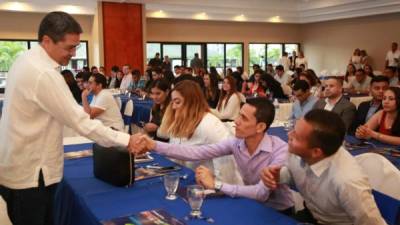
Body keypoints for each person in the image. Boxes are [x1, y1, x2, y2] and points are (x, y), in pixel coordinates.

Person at [0, 11, 138, 225]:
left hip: (20, 165)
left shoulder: (25, 59)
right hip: (31, 174)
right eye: (69, 47)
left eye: (77, 46)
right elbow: (80, 121)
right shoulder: (43, 72)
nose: (73, 53)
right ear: (47, 41)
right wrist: (127, 140)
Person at [133, 98, 294, 213]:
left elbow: (261, 193)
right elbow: (196, 153)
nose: (236, 121)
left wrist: (216, 184)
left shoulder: (279, 150)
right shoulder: (236, 143)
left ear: (260, 127)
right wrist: (154, 145)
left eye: (243, 118)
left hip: (279, 212)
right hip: (252, 205)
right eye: (238, 115)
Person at [261, 109, 386, 225]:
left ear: (316, 152)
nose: (289, 134)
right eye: (293, 129)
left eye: (296, 136)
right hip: (311, 214)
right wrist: (278, 175)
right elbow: (294, 173)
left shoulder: (347, 182)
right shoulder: (298, 152)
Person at [157, 80, 241, 184]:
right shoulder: (181, 121)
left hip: (212, 187)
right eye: (173, 102)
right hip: (190, 180)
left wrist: (218, 186)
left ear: (192, 102)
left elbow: (227, 168)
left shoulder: (211, 125)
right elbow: (175, 156)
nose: (173, 107)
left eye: (177, 102)